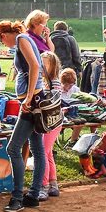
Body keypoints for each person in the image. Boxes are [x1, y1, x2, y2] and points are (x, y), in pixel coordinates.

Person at [0, 14, 46, 212]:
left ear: (6, 33)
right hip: (35, 98)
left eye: (1, 38)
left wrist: (28, 96)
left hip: (32, 101)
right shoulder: (24, 39)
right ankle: (33, 195)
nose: (3, 43)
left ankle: (17, 198)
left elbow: (35, 65)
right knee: (37, 148)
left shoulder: (21, 39)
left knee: (13, 148)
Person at [38, 51, 63, 198]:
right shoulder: (45, 81)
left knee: (43, 152)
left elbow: (53, 101)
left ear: (52, 65)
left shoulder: (54, 82)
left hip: (52, 120)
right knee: (47, 153)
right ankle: (53, 184)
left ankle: (44, 185)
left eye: (44, 63)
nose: (41, 65)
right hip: (49, 120)